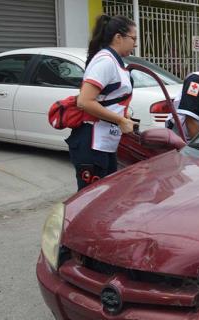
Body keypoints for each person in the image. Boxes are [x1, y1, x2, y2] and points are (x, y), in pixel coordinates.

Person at [67, 14, 138, 191]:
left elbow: (107, 98)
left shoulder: (115, 62)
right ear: (118, 38)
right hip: (91, 141)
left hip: (105, 142)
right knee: (91, 199)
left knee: (106, 197)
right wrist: (120, 120)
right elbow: (84, 101)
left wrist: (124, 114)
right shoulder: (105, 61)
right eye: (133, 39)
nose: (135, 44)